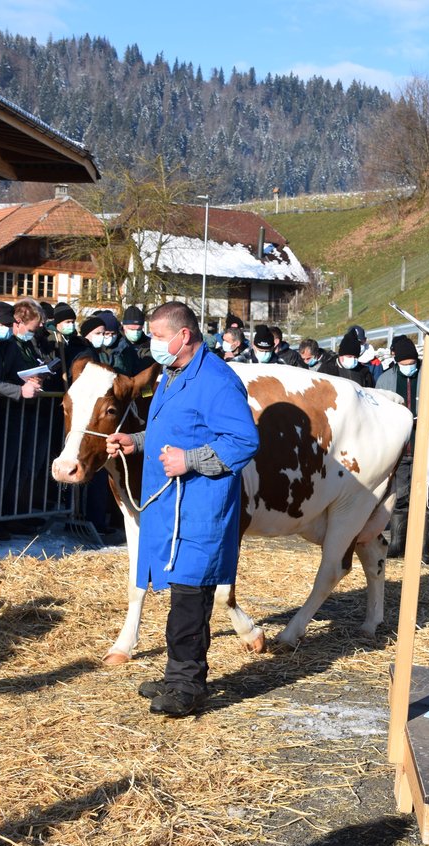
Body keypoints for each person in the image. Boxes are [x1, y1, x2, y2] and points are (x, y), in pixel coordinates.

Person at [106, 301, 259, 717]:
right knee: (180, 595)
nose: (153, 344)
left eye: (157, 336)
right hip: (171, 504)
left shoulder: (215, 380)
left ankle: (187, 686)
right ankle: (178, 672)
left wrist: (190, 460)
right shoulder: (173, 374)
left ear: (183, 335)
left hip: (198, 508)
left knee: (191, 598)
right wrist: (135, 442)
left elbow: (243, 441)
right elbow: (173, 428)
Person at [375, 335, 423, 558]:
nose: (408, 368)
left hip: (424, 446)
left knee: (424, 498)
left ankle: (421, 547)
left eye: (412, 364)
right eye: (404, 365)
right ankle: (397, 542)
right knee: (400, 495)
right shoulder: (385, 380)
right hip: (399, 449)